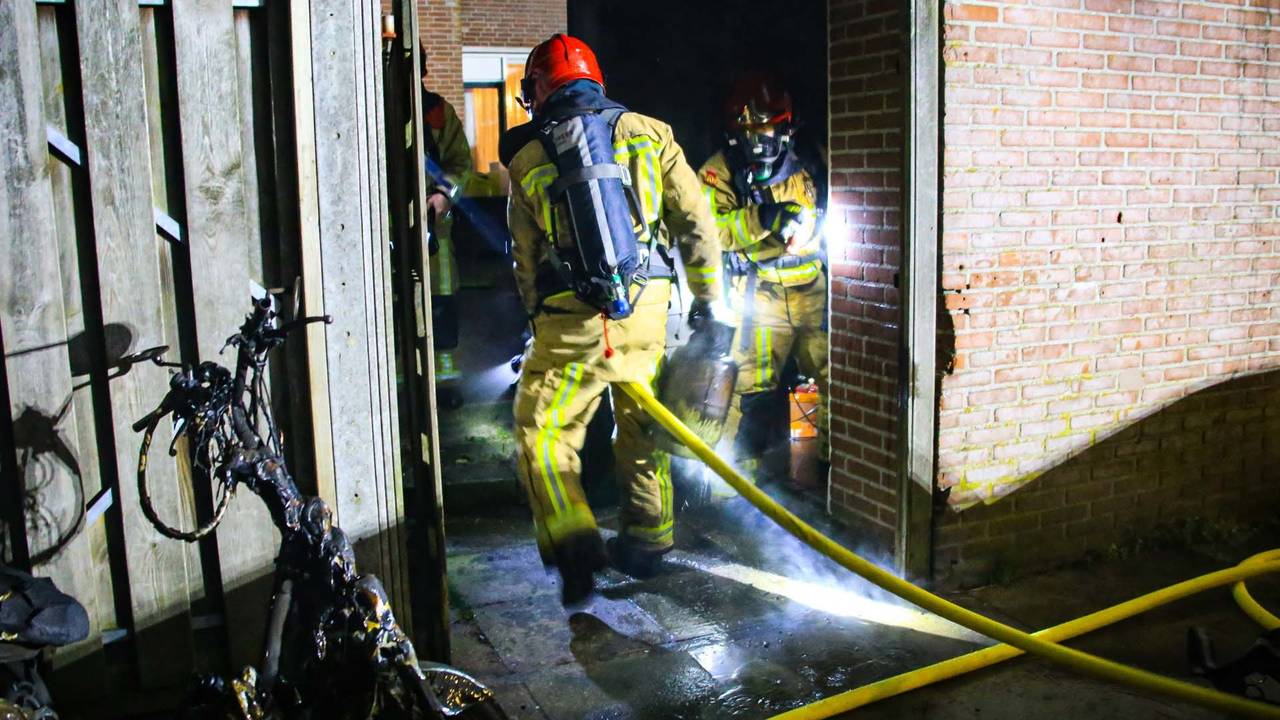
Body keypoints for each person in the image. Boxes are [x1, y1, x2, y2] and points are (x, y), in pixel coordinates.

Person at [501, 33, 726, 605]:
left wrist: (537, 319)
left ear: (538, 90)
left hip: (571, 323)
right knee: (642, 430)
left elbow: (524, 256)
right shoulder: (652, 135)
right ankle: (648, 544)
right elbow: (696, 224)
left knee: (544, 435)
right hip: (647, 314)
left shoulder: (528, 158)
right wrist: (707, 301)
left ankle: (575, 546)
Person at [698, 72, 828, 484]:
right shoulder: (719, 172)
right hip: (761, 296)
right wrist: (763, 217)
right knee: (749, 390)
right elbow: (709, 229)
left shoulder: (812, 161)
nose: (765, 141)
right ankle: (732, 484)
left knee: (828, 382)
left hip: (813, 295)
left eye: (774, 131)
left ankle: (823, 476)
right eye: (756, 132)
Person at [420, 52, 473, 382]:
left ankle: (443, 380)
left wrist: (442, 196)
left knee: (439, 301)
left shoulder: (437, 112)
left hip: (434, 228)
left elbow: (460, 164)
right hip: (384, 233)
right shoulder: (372, 107)